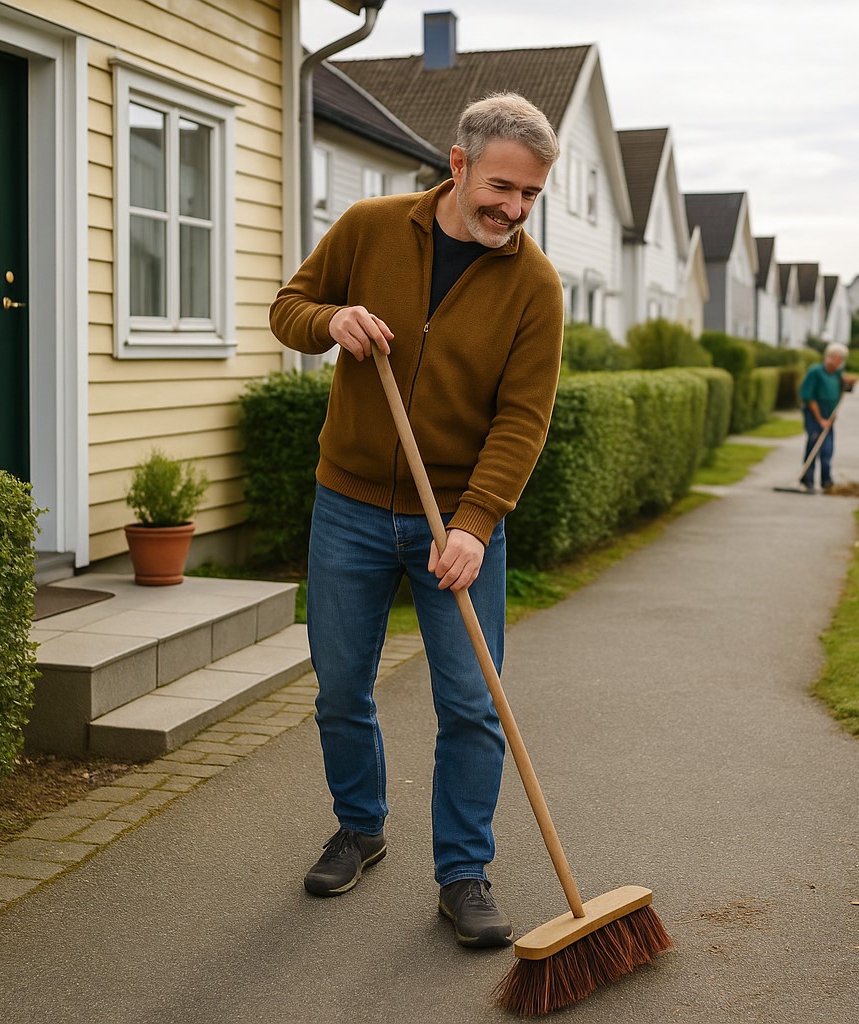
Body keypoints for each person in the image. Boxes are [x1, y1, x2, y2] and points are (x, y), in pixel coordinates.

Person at [269, 93, 563, 949]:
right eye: (502, 187)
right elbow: (288, 308)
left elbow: (523, 420)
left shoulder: (535, 286)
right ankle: (360, 827)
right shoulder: (368, 227)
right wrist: (332, 320)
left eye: (531, 196)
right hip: (351, 507)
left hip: (458, 527)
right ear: (459, 164)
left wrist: (474, 523)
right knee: (339, 689)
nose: (513, 210)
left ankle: (463, 874)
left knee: (474, 706)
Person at [797, 342, 850, 493]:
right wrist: (820, 419)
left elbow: (842, 386)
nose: (839, 363)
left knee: (827, 449)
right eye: (837, 359)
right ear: (829, 357)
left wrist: (848, 384)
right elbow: (808, 397)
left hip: (830, 416)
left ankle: (826, 481)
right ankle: (807, 479)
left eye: (841, 360)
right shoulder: (815, 372)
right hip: (815, 414)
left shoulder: (837, 374)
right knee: (814, 445)